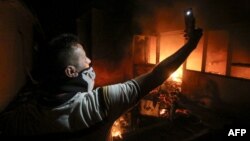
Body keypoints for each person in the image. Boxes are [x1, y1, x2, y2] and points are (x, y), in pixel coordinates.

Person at [0, 23, 202, 140]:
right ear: (71, 72)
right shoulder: (99, 103)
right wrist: (190, 45)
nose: (90, 62)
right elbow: (156, 76)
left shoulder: (28, 116)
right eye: (85, 59)